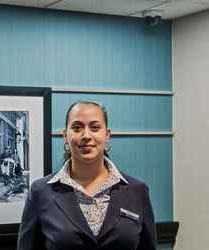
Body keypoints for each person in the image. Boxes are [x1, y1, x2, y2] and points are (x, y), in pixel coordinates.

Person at [17, 100, 157, 250]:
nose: (86, 135)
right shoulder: (40, 192)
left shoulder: (137, 191)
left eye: (95, 127)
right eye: (77, 128)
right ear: (65, 135)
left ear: (107, 134)